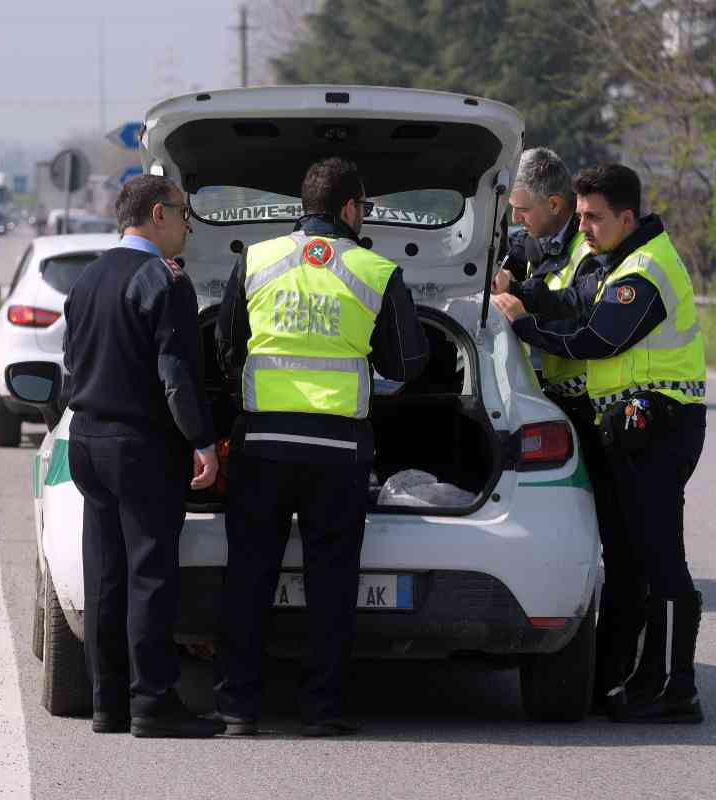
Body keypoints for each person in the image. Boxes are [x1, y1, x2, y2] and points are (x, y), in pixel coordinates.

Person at [213, 157, 430, 736]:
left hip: (261, 444)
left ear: (301, 205)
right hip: (337, 451)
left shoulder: (255, 259)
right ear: (351, 208)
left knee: (249, 576)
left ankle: (237, 708)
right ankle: (321, 710)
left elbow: (226, 347)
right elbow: (408, 360)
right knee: (331, 583)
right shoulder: (376, 270)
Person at [491, 164, 708, 724]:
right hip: (636, 425)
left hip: (660, 424)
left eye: (594, 217)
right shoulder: (617, 259)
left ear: (627, 217)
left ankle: (675, 691)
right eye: (581, 215)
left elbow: (598, 339)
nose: (583, 227)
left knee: (660, 558)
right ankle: (642, 680)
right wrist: (524, 292)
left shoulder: (645, 269)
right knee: (635, 553)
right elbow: (574, 300)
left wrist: (520, 326)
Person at [62, 175, 223, 739]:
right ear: (159, 214)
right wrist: (202, 442)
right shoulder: (163, 281)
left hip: (86, 440)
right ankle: (152, 703)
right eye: (184, 214)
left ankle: (108, 703)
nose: (187, 226)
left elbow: (71, 363)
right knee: (150, 574)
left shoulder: (87, 278)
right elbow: (177, 375)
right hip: (141, 445)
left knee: (104, 573)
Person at [492, 147, 631, 711]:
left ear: (554, 204)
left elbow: (572, 308)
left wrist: (520, 302)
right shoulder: (545, 239)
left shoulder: (585, 251)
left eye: (522, 209)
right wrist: (507, 267)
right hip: (560, 405)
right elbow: (524, 251)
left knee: (617, 549)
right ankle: (610, 673)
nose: (517, 219)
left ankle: (613, 676)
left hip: (587, 411)